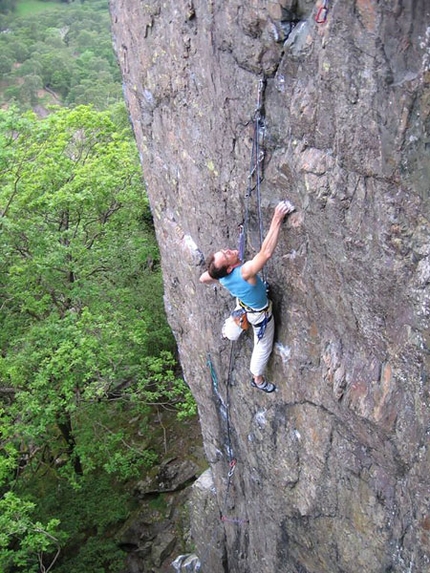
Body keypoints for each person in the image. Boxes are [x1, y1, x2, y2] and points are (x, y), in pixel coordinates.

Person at [199, 200, 295, 393]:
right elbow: (266, 253)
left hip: (244, 303)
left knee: (241, 313)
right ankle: (257, 379)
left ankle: (231, 329)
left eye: (224, 251)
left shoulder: (221, 276)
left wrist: (215, 276)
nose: (228, 250)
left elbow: (203, 278)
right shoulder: (244, 272)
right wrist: (277, 217)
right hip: (260, 315)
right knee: (263, 346)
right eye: (226, 255)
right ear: (229, 267)